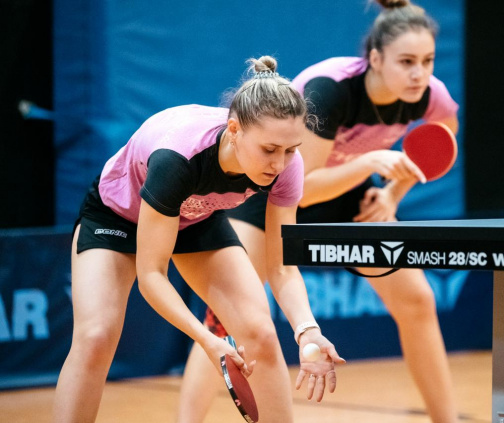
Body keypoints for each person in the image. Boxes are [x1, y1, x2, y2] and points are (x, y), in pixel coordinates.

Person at [177, 1, 460, 422]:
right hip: (274, 192)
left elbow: (444, 136)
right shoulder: (330, 90)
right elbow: (302, 190)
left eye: (428, 61)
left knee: (417, 300)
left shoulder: (429, 95)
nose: (420, 73)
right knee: (227, 319)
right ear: (376, 59)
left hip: (348, 196)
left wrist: (392, 195)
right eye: (407, 62)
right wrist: (368, 164)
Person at [52, 56, 345, 423]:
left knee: (260, 334)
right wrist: (207, 339)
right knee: (96, 338)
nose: (279, 164)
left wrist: (308, 331)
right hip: (117, 216)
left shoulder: (288, 166)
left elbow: (282, 268)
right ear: (235, 130)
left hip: (196, 217)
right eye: (269, 150)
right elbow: (152, 275)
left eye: (290, 150)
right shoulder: (177, 158)